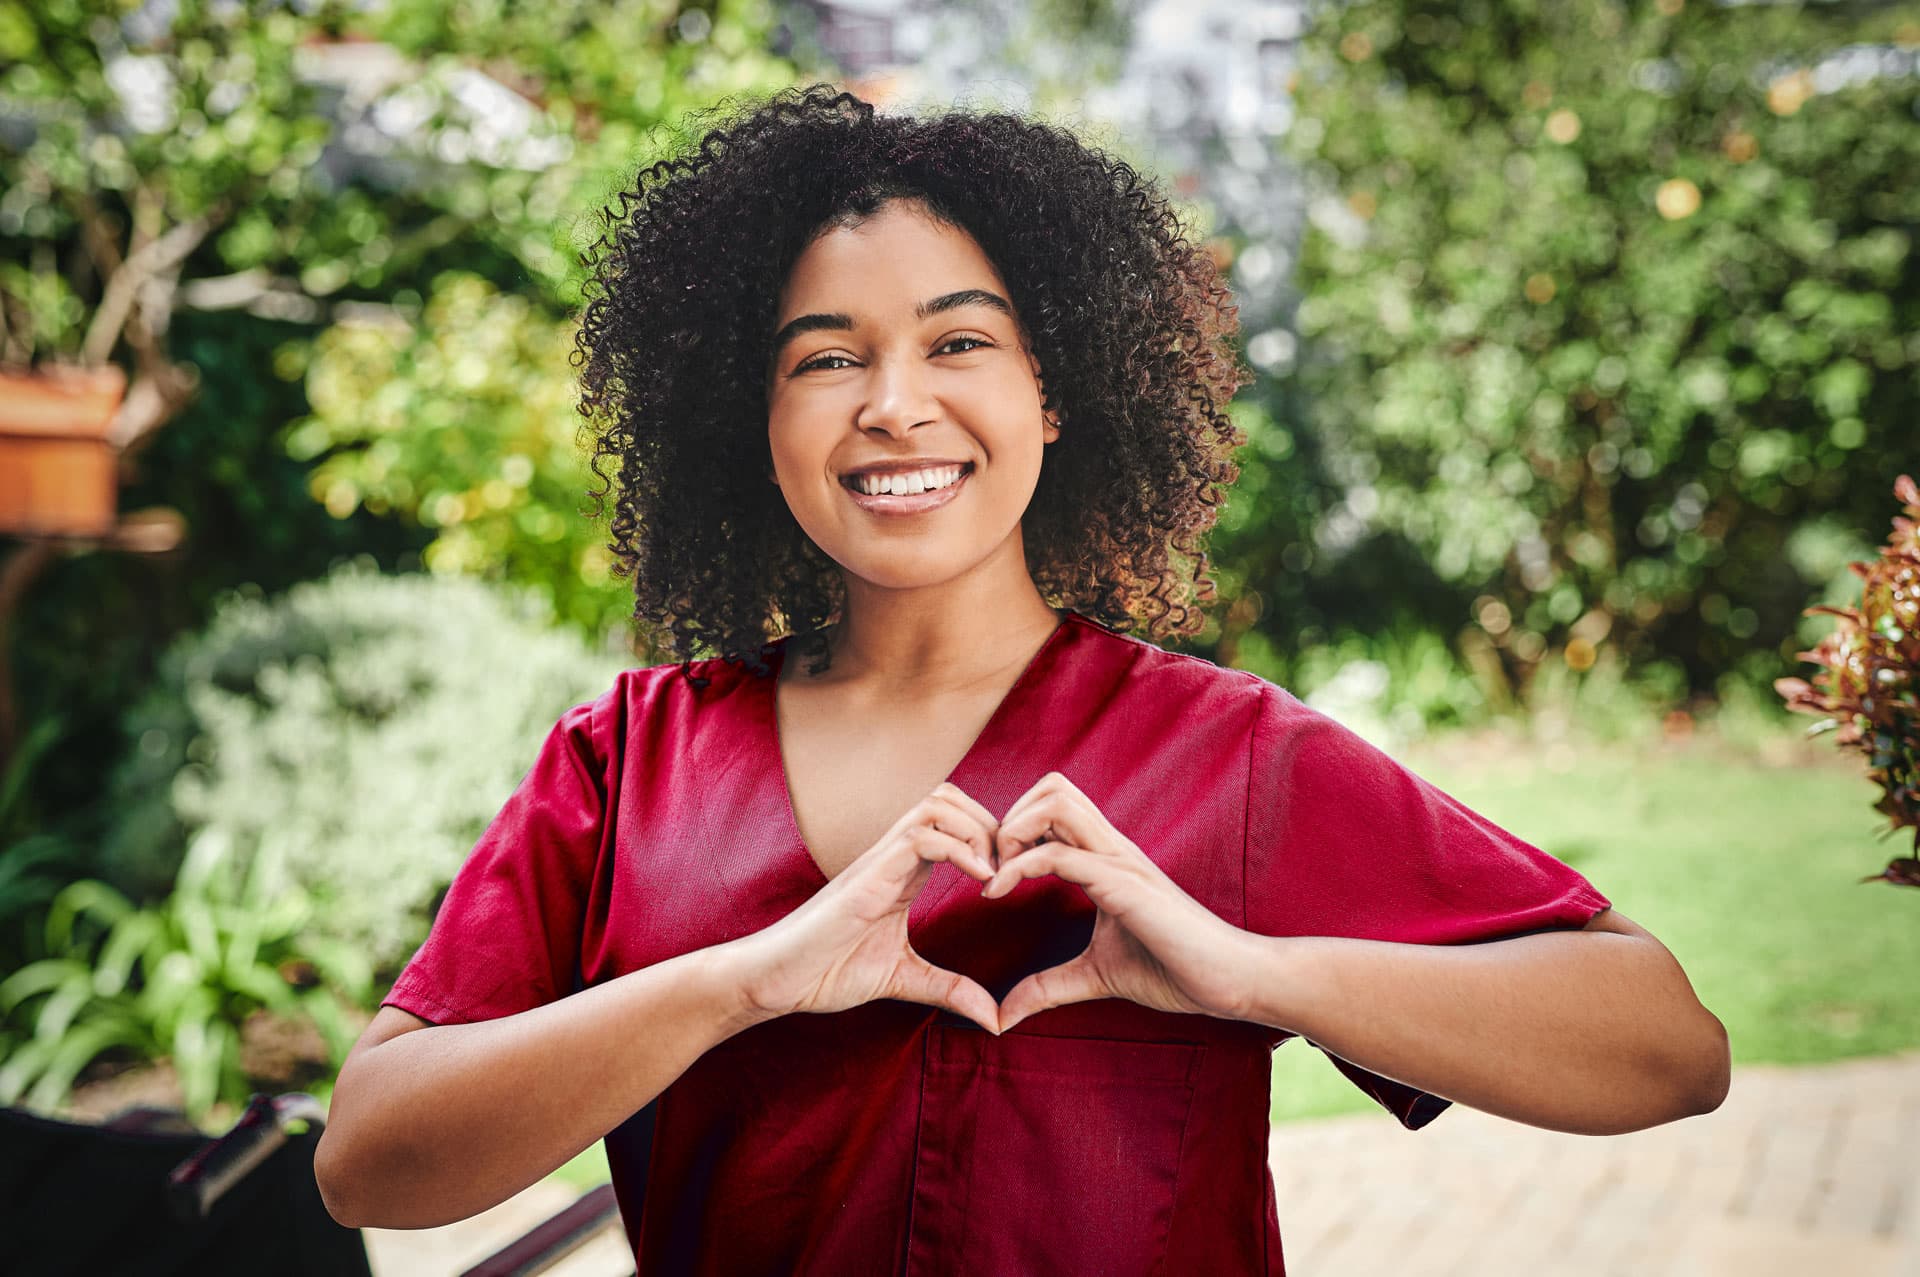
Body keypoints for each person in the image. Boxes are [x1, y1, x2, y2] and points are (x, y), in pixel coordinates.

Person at [313, 84, 1730, 1274]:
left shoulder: (1221, 754)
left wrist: (1252, 972)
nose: (894, 402)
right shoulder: (626, 763)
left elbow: (1665, 1045)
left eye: (959, 340)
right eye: (826, 358)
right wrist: (739, 983)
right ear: (752, 417)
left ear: (1057, 393)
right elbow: (370, 1157)